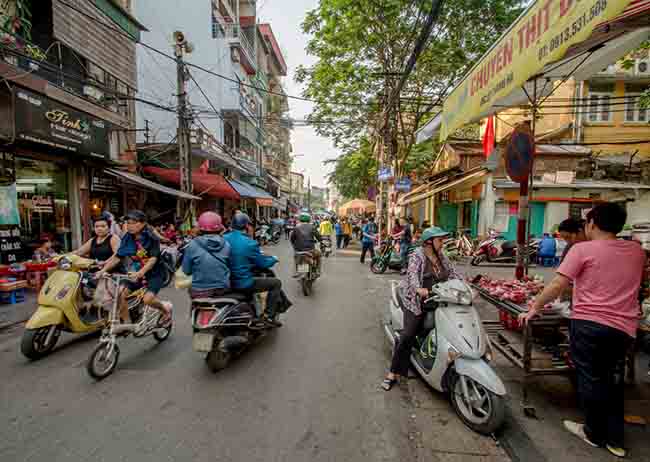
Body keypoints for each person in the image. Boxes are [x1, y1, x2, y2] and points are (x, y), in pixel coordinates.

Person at [519, 203, 645, 458]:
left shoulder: (582, 249)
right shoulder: (636, 251)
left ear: (593, 224)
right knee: (613, 378)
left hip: (589, 324)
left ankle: (593, 432)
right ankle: (616, 440)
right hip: (623, 328)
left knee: (590, 378)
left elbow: (557, 284)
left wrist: (534, 308)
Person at [382, 227, 460, 391]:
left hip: (438, 299)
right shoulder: (417, 255)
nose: (442, 243)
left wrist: (467, 286)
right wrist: (419, 289)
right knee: (407, 335)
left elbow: (453, 274)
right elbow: (412, 275)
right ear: (429, 243)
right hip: (416, 300)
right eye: (440, 240)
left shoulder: (441, 256)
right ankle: (393, 373)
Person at [97, 210, 172, 326]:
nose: (129, 226)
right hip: (135, 273)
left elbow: (153, 259)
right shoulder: (127, 238)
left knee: (147, 300)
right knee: (120, 294)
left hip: (155, 274)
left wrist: (141, 272)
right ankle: (127, 323)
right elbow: (118, 256)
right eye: (128, 223)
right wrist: (102, 270)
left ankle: (165, 311)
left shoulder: (151, 238)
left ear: (142, 223)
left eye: (133, 223)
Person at [224, 213, 285, 327]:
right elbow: (263, 263)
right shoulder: (250, 243)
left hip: (225, 282)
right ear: (247, 227)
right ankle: (269, 316)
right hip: (242, 283)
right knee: (276, 283)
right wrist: (273, 259)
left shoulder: (223, 239)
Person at [182, 212, 231, 299]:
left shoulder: (192, 244)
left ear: (200, 228)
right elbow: (230, 266)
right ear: (220, 228)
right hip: (222, 289)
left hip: (198, 291)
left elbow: (186, 271)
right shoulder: (226, 244)